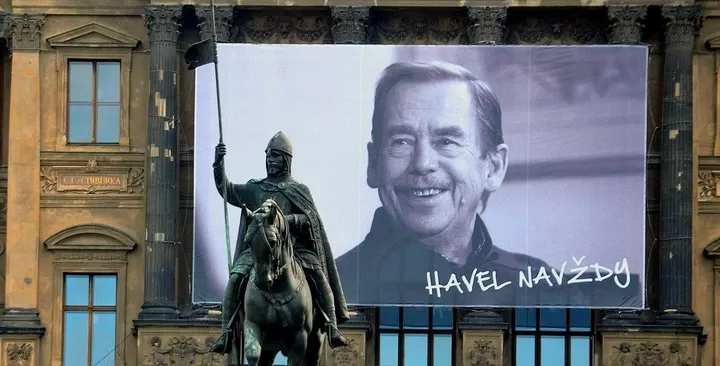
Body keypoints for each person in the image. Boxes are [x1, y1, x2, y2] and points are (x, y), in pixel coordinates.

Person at [335, 61, 641, 307]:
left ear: (493, 167)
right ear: (373, 164)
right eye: (401, 141)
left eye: (447, 140)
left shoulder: (542, 287)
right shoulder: (325, 291)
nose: (423, 163)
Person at [210, 131, 349, 353]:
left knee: (319, 275)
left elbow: (311, 218)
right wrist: (218, 164)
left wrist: (291, 220)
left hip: (295, 249)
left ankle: (332, 326)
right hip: (259, 249)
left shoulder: (298, 190)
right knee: (236, 277)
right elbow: (227, 190)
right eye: (268, 156)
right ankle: (225, 333)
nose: (270, 161)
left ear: (286, 160)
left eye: (275, 156)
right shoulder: (256, 187)